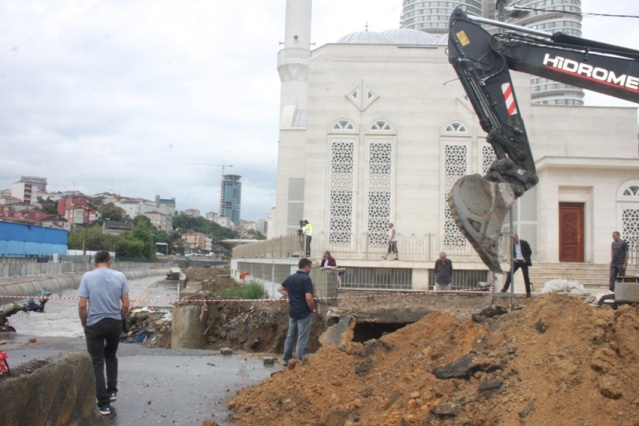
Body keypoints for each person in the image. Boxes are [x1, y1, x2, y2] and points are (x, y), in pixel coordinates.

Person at [78, 250, 130, 416]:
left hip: (94, 323)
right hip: (114, 323)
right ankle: (112, 390)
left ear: (94, 263)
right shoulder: (120, 276)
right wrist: (119, 319)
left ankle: (103, 404)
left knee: (97, 361)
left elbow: (82, 305)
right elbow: (126, 304)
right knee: (111, 355)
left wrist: (84, 323)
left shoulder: (87, 277)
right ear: (110, 261)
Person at [278, 258, 315, 366]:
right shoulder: (306, 279)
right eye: (310, 267)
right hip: (303, 313)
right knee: (301, 339)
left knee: (290, 336)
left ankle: (286, 359)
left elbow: (280, 288)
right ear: (307, 267)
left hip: (293, 312)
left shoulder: (290, 278)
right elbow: (308, 298)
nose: (310, 269)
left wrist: (289, 295)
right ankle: (298, 361)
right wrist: (312, 309)